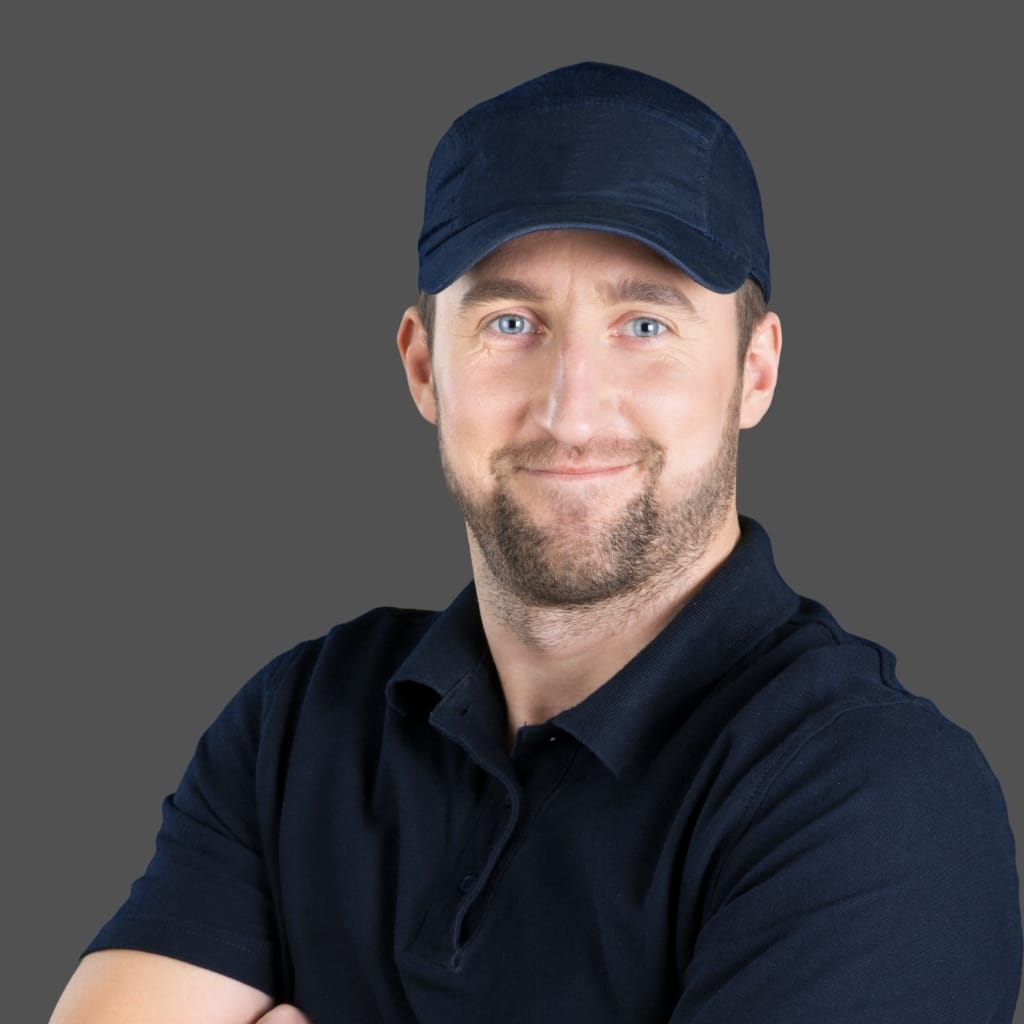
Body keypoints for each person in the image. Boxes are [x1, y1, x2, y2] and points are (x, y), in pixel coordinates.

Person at [50, 62, 1021, 1023]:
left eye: (644, 322)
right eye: (512, 322)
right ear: (425, 366)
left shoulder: (872, 797)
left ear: (753, 371)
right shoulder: (299, 723)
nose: (572, 410)